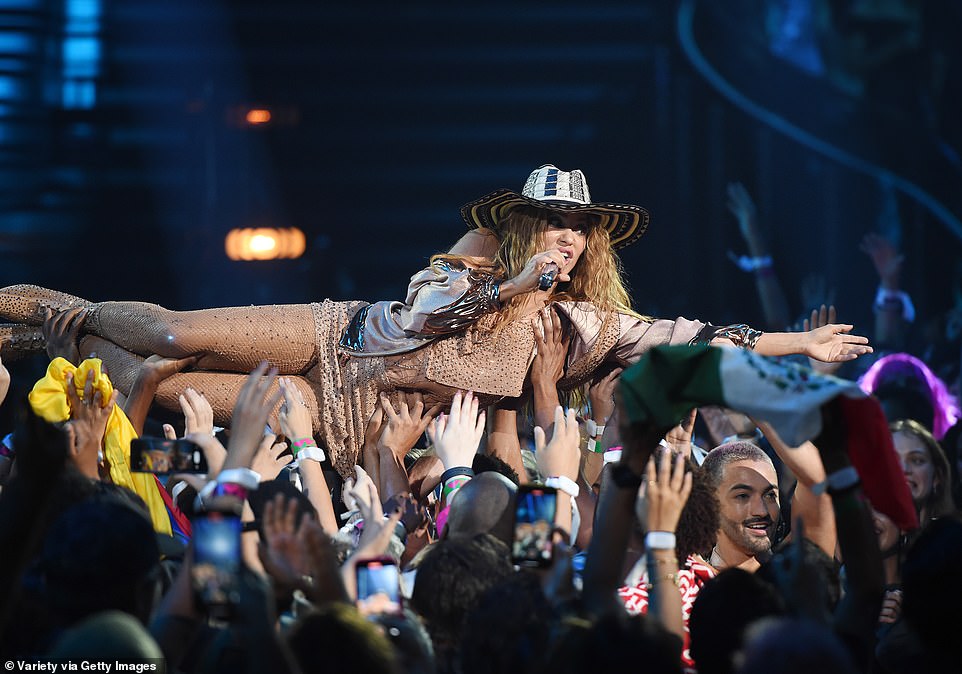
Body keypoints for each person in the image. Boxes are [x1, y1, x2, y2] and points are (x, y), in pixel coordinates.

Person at [0, 165, 873, 478]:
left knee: (168, 383)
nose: (567, 239)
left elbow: (685, 332)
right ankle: (48, 314)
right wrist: (509, 279)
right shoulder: (482, 251)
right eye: (555, 223)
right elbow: (415, 318)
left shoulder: (580, 327)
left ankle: (54, 379)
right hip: (335, 337)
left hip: (342, 419)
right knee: (171, 335)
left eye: (579, 228)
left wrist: (799, 339)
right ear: (527, 222)